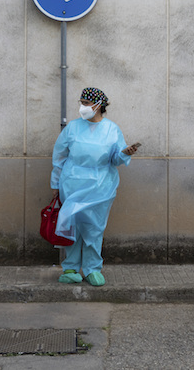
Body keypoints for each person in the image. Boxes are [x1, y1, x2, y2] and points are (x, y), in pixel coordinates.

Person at [50, 87, 139, 287]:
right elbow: (59, 157)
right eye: (81, 102)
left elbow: (115, 159)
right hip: (72, 183)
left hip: (101, 186)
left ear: (99, 106)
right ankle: (71, 268)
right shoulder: (72, 128)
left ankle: (92, 269)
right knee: (70, 225)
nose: (82, 107)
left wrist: (126, 152)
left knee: (94, 228)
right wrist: (55, 184)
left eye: (86, 103)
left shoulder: (112, 129)